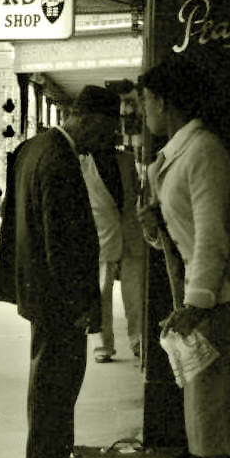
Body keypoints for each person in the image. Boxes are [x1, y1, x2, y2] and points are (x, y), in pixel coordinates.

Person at [137, 56, 230, 458]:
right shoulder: (179, 155)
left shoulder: (202, 151)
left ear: (163, 101)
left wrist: (197, 303)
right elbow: (188, 235)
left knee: (212, 413)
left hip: (223, 302)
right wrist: (154, 227)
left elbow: (212, 239)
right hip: (213, 299)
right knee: (211, 411)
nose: (142, 110)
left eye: (144, 100)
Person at [0, 86, 118, 458]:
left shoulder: (32, 149)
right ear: (88, 120)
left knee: (48, 375)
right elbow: (61, 241)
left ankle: (47, 453)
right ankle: (49, 457)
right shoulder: (59, 159)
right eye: (105, 131)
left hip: (38, 287)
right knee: (59, 379)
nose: (104, 142)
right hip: (59, 296)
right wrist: (80, 304)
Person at [80, 145, 145, 362]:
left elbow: (135, 191)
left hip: (130, 231)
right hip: (102, 234)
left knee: (136, 292)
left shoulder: (127, 160)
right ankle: (102, 346)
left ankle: (139, 341)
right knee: (101, 292)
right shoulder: (82, 162)